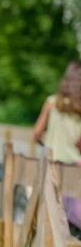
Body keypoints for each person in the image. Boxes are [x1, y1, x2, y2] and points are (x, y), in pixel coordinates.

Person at [32, 60, 81, 231]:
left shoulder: (52, 102)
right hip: (75, 167)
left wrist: (47, 144)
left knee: (52, 212)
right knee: (73, 214)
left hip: (53, 164)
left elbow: (36, 133)